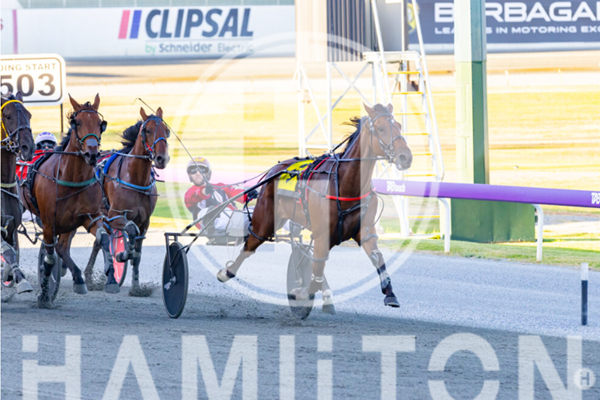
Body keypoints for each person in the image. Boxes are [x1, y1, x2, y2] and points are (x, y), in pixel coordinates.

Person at [184, 157, 258, 234]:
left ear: (208, 173)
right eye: (193, 171)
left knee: (256, 209)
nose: (197, 173)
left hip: (233, 216)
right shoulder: (190, 193)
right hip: (215, 223)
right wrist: (205, 191)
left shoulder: (220, 186)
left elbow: (235, 193)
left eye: (202, 170)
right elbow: (196, 196)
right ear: (189, 175)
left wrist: (248, 194)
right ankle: (210, 223)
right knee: (205, 212)